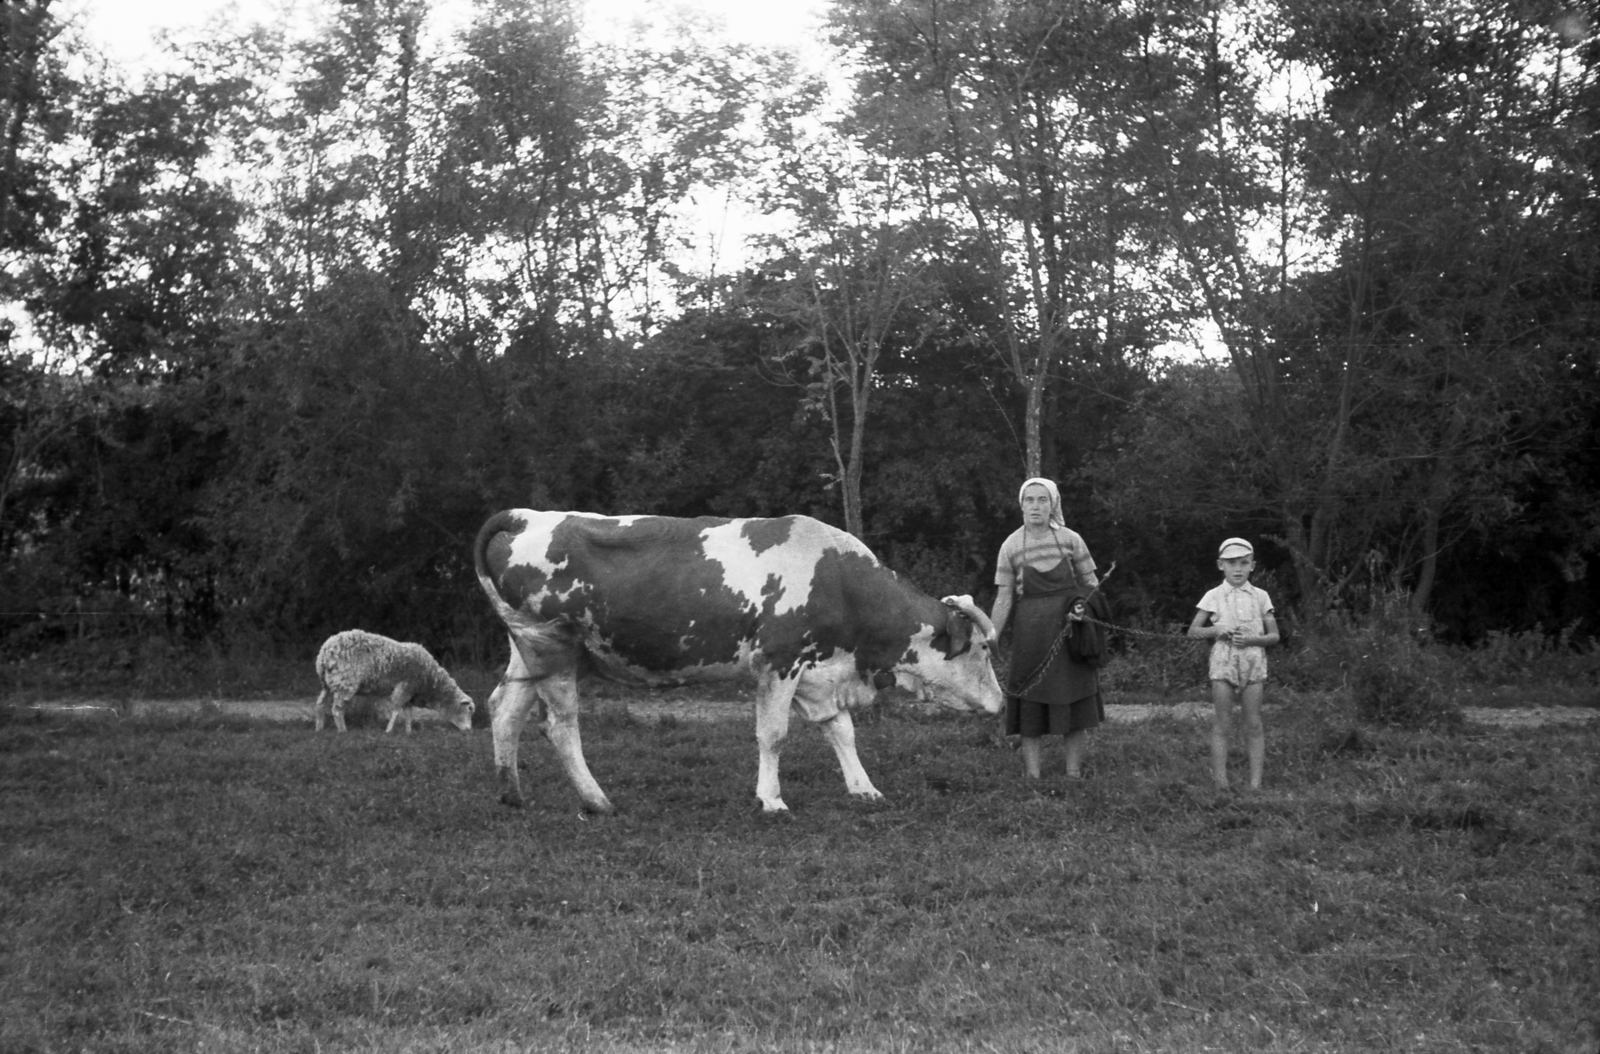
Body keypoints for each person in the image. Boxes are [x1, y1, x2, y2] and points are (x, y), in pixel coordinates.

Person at [989, 477, 1110, 780]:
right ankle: (1033, 776)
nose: (1035, 506)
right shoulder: (1011, 545)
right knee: (1029, 702)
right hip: (1031, 637)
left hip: (1070, 636)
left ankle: (1073, 773)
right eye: (1029, 500)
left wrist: (1083, 606)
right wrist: (990, 638)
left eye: (1042, 500)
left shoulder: (1070, 539)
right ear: (1021, 505)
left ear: (1053, 504)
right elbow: (1004, 598)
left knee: (1074, 701)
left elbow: (1092, 585)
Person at [1188, 537, 1280, 790]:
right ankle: (1221, 784)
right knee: (1223, 722)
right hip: (1223, 661)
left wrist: (1252, 639)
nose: (1238, 569)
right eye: (1231, 563)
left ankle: (1255, 785)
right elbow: (1193, 631)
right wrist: (1217, 629)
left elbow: (1274, 635)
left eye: (1243, 563)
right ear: (1221, 565)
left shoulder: (1261, 596)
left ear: (1252, 565)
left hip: (1253, 661)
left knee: (1254, 723)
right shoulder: (1213, 596)